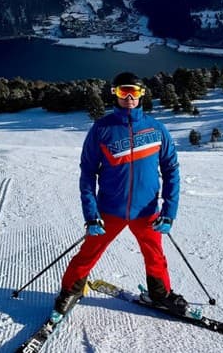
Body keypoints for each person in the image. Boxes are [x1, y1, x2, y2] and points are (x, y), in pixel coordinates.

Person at [53, 71, 188, 316]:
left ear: (142, 94)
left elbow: (171, 171)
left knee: (155, 256)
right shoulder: (102, 129)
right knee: (88, 253)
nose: (128, 97)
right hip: (109, 211)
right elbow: (87, 174)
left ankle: (160, 295)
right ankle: (71, 290)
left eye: (133, 91)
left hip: (146, 211)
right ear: (114, 94)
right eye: (122, 91)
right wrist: (91, 214)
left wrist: (169, 212)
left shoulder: (157, 129)